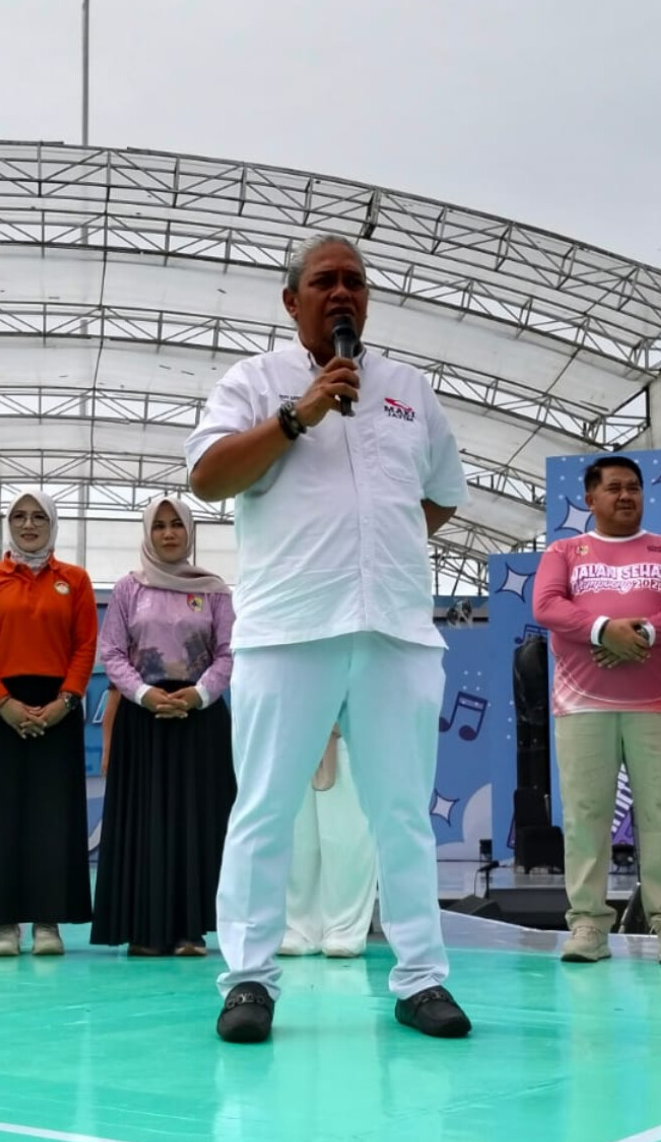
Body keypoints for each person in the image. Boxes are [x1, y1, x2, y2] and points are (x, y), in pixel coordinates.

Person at [186, 233, 472, 1043]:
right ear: (292, 300)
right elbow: (207, 478)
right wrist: (297, 414)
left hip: (394, 631)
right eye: (324, 281)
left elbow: (442, 494)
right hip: (290, 629)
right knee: (264, 811)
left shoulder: (409, 389)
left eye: (355, 281)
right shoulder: (252, 381)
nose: (343, 292)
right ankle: (249, 980)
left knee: (402, 814)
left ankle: (421, 979)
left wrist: (381, 545)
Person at [533, 454, 661, 965]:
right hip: (581, 707)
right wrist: (602, 630)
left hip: (657, 705)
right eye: (613, 488)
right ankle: (588, 924)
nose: (626, 495)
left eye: (633, 487)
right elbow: (546, 605)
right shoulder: (565, 551)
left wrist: (644, 632)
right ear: (590, 498)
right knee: (586, 815)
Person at [91, 495, 237, 958]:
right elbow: (112, 651)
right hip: (143, 720)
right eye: (160, 525)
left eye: (177, 524)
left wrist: (198, 694)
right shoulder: (128, 589)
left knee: (196, 821)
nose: (169, 533)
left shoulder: (214, 591)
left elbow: (229, 652)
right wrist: (143, 693)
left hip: (200, 721)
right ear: (148, 533)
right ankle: (145, 928)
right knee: (145, 822)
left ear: (190, 531)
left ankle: (192, 930)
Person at [0, 491, 99, 957]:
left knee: (52, 818)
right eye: (19, 516)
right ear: (8, 524)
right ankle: (4, 925)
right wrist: (3, 703)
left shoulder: (74, 580)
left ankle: (47, 922)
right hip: (2, 711)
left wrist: (65, 701)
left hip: (58, 711)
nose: (29, 524)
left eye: (39, 516)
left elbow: (85, 645)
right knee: (1, 818)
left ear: (53, 524)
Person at [279, 728, 379, 959]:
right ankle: (299, 925)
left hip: (352, 726)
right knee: (298, 832)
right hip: (292, 725)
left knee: (347, 830)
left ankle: (345, 927)